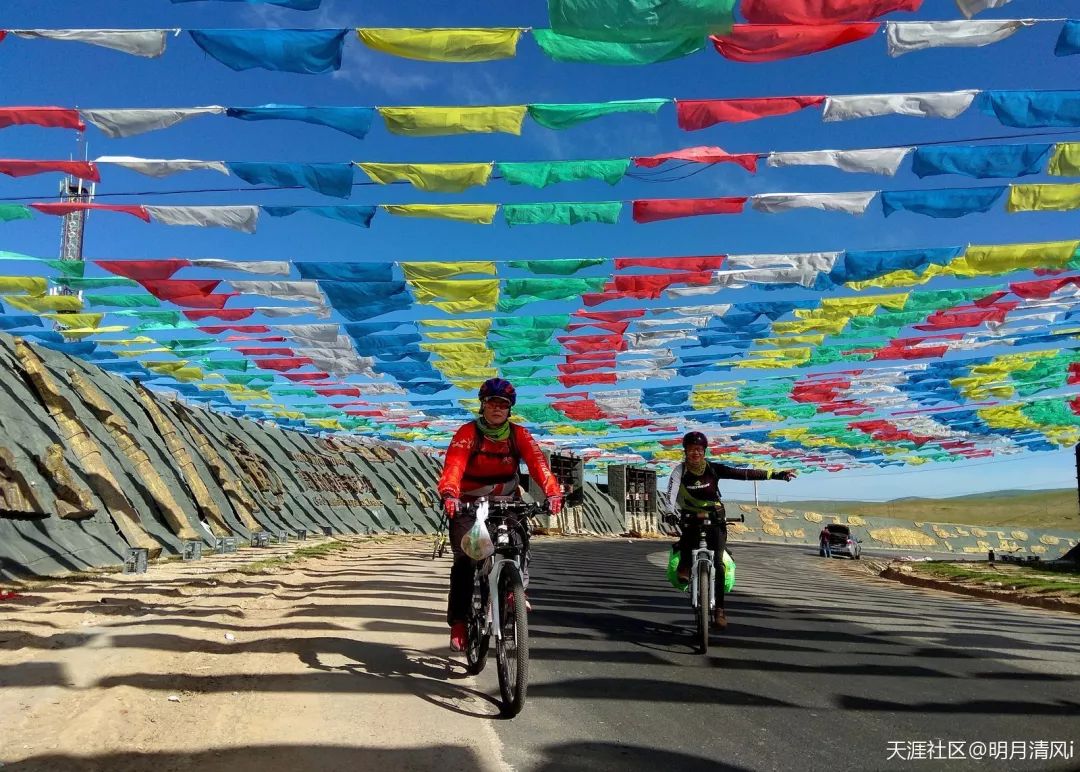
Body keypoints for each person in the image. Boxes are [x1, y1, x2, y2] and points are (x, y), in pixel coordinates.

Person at [437, 378, 562, 652]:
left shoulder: (519, 435)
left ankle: (514, 591)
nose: (497, 408)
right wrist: (450, 494)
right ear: (483, 406)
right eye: (492, 403)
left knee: (518, 543)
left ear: (509, 410)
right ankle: (459, 621)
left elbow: (538, 464)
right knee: (467, 560)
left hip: (507, 502)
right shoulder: (467, 433)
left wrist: (552, 492)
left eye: (503, 404)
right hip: (469, 504)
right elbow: (454, 466)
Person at [665, 431, 797, 629]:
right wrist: (669, 511)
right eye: (691, 450)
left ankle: (720, 610)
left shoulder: (713, 469)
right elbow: (671, 493)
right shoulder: (679, 471)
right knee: (687, 537)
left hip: (715, 517)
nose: (695, 453)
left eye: (699, 450)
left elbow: (743, 474)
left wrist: (775, 475)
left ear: (704, 451)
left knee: (718, 562)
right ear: (685, 451)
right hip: (691, 517)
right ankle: (684, 565)